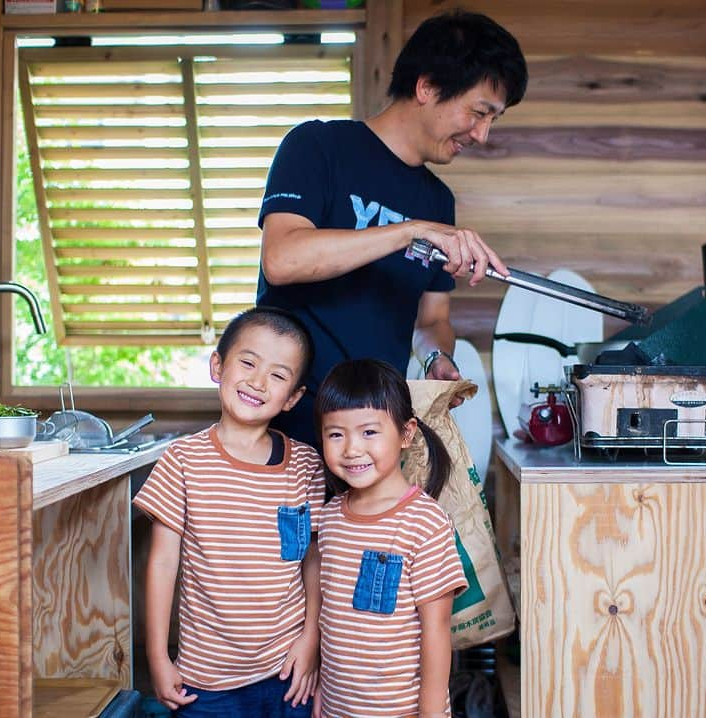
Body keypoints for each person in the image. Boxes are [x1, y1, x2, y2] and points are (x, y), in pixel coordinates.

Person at [256, 9, 528, 444]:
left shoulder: (438, 201)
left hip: (372, 439)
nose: (483, 135)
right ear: (427, 86)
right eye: (479, 112)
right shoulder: (317, 147)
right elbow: (282, 259)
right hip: (288, 427)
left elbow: (431, 318)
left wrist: (436, 356)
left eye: (494, 120)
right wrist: (408, 231)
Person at [133, 307, 326, 717]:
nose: (258, 382)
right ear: (217, 365)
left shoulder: (305, 465)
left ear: (293, 397)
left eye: (277, 375)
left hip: (288, 673)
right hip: (206, 681)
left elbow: (312, 559)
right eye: (248, 362)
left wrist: (311, 639)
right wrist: (157, 656)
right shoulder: (183, 460)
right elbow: (163, 563)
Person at [311, 359, 468, 717]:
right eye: (335, 434)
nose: (351, 448)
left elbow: (437, 632)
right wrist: (322, 686)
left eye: (369, 432)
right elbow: (331, 620)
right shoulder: (331, 516)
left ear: (406, 433)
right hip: (339, 708)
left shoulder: (425, 523)